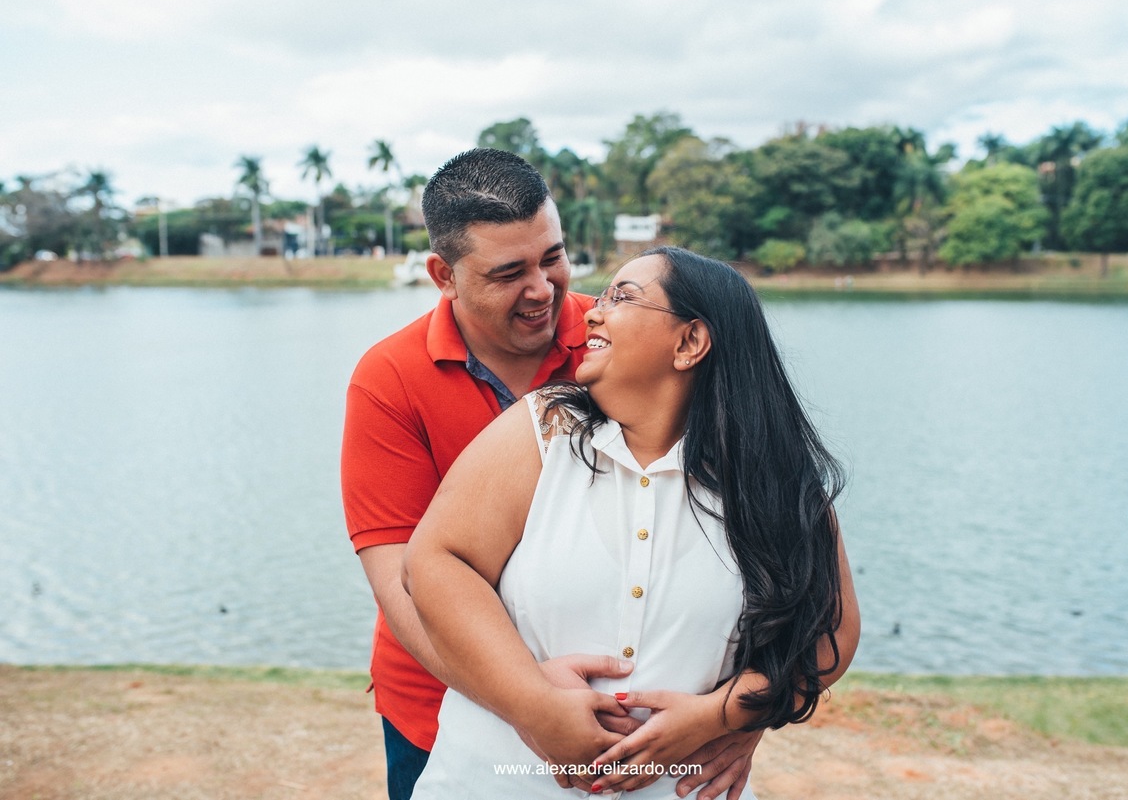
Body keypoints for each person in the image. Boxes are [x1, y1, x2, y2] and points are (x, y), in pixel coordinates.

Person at [342, 150, 761, 800]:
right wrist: (529, 705)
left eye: (552, 258)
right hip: (439, 700)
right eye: (509, 272)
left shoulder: (623, 340)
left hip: (638, 727)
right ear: (442, 275)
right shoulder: (389, 378)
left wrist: (745, 712)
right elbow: (401, 580)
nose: (542, 289)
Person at [403, 247, 860, 798]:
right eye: (601, 296)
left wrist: (721, 715)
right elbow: (435, 562)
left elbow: (830, 635)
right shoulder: (544, 429)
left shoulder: (773, 481)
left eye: (622, 297)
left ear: (689, 342)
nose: (591, 313)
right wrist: (535, 706)